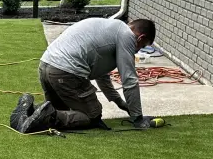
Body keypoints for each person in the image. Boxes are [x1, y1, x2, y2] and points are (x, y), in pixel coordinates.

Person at [11, 17, 159, 133]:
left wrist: (120, 103)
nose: (137, 51)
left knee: (60, 111)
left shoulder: (112, 28)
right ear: (140, 38)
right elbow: (129, 80)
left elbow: (102, 76)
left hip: (45, 66)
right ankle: (43, 116)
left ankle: (29, 111)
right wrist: (138, 118)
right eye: (142, 46)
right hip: (65, 72)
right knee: (92, 116)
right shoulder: (127, 36)